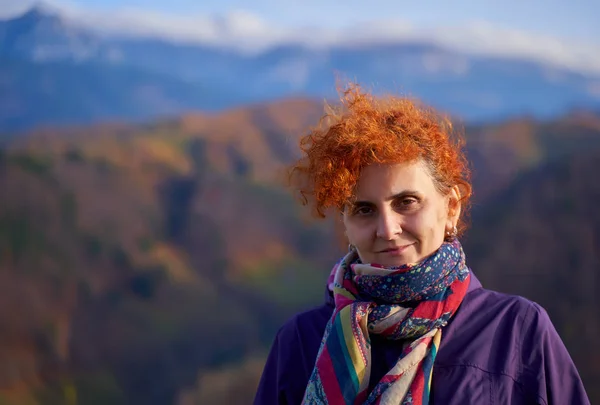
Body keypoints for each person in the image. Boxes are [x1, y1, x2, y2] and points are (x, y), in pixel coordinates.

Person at [253, 84, 590, 404]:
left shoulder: (516, 331)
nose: (387, 229)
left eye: (407, 201)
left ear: (451, 208)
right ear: (345, 222)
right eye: (364, 209)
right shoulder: (300, 341)